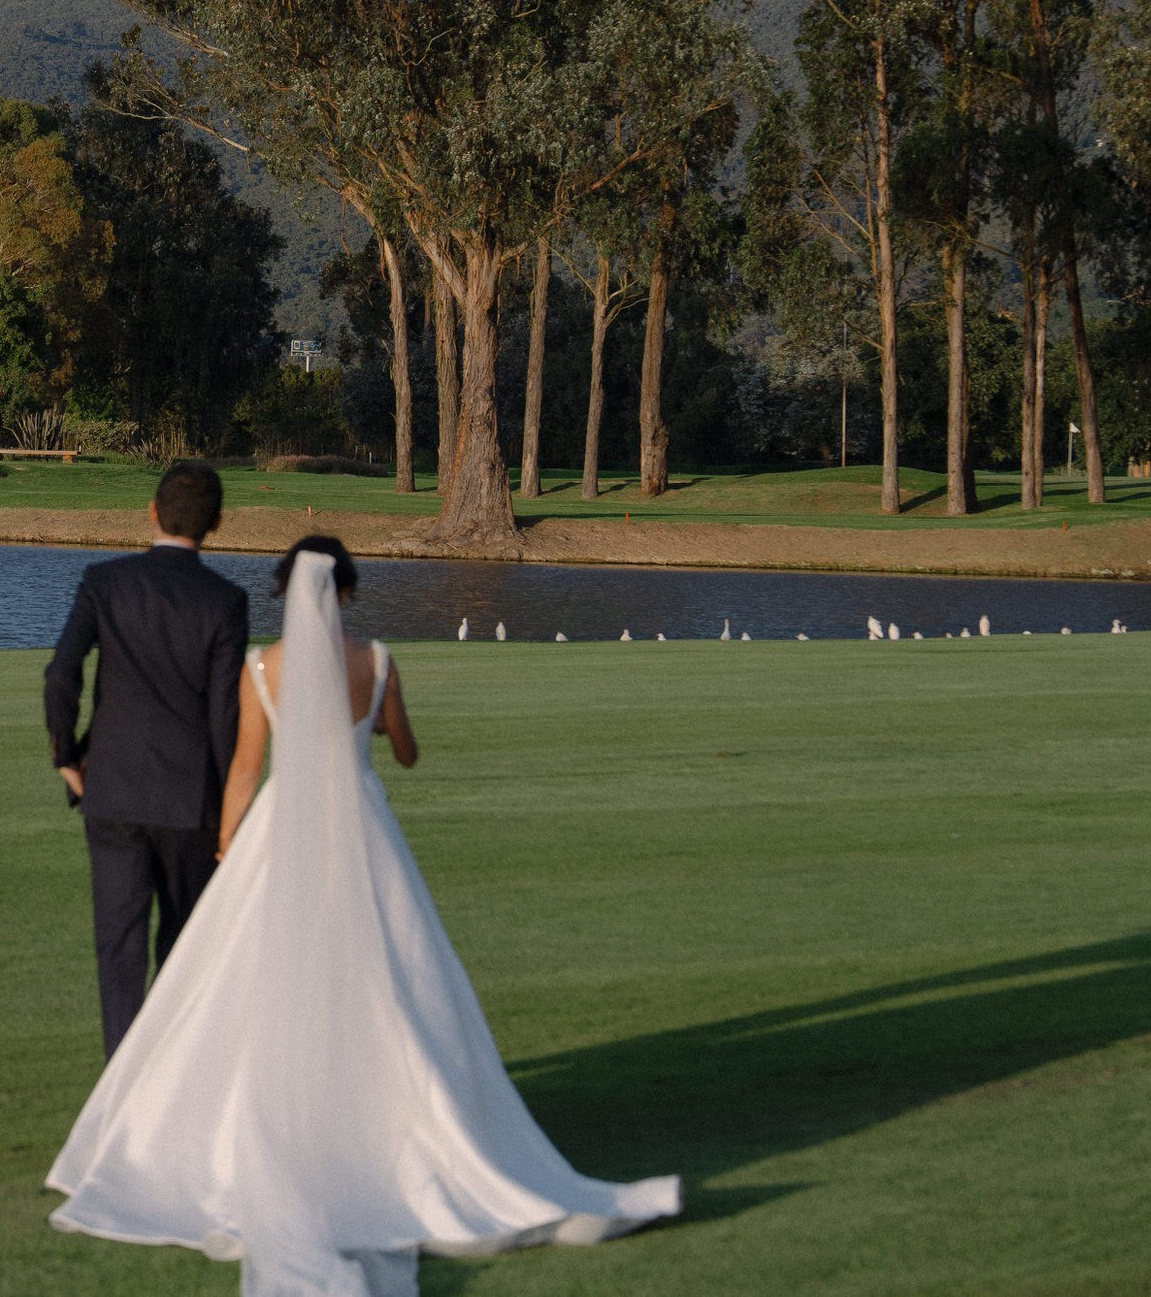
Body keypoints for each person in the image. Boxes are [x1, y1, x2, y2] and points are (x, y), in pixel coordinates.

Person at [48, 537, 680, 1297]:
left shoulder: (262, 668)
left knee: (258, 978)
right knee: (389, 973)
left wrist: (226, 851)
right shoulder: (376, 663)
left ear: (286, 591)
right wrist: (377, 724)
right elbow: (408, 753)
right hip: (361, 828)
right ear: (345, 591)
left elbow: (245, 770)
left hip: (283, 833)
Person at [44, 459, 250, 1059]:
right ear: (217, 523)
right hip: (192, 803)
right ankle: (168, 1077)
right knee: (183, 952)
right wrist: (228, 810)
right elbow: (224, 717)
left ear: (152, 511)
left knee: (119, 951)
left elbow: (60, 675)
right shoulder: (226, 601)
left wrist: (66, 755)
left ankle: (122, 1080)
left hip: (112, 791)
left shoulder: (105, 581)